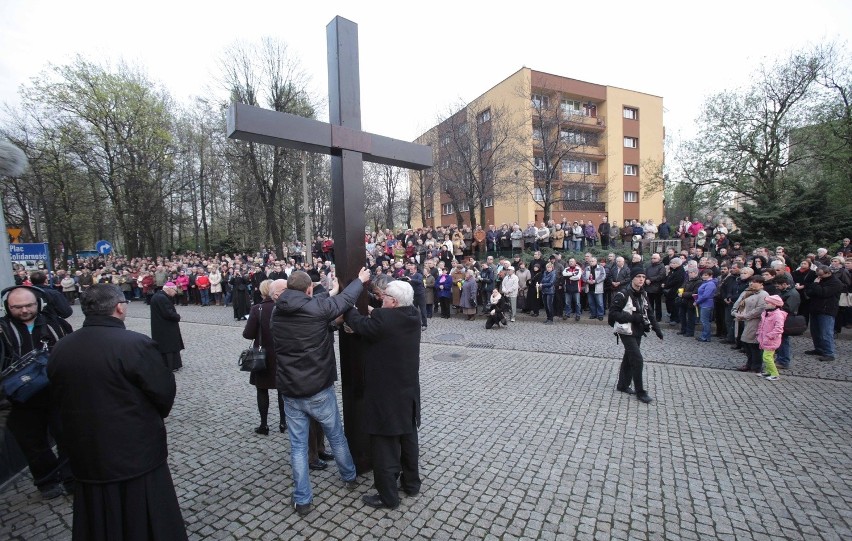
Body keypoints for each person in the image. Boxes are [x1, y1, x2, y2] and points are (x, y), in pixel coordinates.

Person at [47, 285, 186, 539]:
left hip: (85, 447)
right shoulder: (136, 344)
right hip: (133, 447)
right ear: (119, 307)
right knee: (144, 506)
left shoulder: (62, 347)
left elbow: (56, 394)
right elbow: (163, 391)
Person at [271, 268, 371, 517]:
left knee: (297, 446)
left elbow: (321, 302)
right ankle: (349, 476)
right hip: (318, 388)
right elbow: (345, 302)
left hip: (291, 391)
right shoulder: (316, 309)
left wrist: (332, 289)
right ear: (308, 289)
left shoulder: (277, 310)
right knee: (336, 436)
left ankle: (302, 499)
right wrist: (359, 280)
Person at [343, 280, 422, 509]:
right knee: (408, 441)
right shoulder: (412, 315)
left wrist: (348, 305)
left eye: (385, 296)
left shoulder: (383, 320)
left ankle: (388, 496)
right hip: (408, 393)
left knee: (384, 447)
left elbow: (358, 323)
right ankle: (411, 484)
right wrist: (375, 310)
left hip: (386, 396)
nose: (381, 298)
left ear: (394, 302)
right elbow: (383, 318)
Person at [0, 286, 73, 500]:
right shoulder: (3, 329)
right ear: (7, 307)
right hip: (20, 399)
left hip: (57, 392)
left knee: (68, 436)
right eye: (17, 307)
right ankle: (47, 480)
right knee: (33, 444)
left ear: (38, 303)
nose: (24, 310)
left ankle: (71, 478)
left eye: (29, 305)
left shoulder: (54, 324)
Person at [609, 268, 664, 404]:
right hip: (625, 331)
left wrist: (657, 330)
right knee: (637, 359)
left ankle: (622, 385)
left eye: (643, 277)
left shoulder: (643, 293)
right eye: (638, 276)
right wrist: (633, 317)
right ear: (632, 278)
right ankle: (640, 391)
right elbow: (613, 314)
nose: (641, 279)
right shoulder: (623, 294)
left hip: (638, 330)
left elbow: (649, 313)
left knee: (629, 358)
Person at [243, 279, 285, 435]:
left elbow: (248, 334)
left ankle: (264, 425)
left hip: (263, 356)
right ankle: (283, 422)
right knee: (282, 390)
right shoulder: (283, 306)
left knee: (262, 390)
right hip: (281, 354)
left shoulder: (257, 309)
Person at [804, 264, 843, 362]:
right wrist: (815, 286)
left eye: (821, 275)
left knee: (826, 333)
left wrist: (816, 285)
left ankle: (829, 353)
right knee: (815, 332)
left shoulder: (836, 283)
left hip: (827, 310)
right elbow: (809, 291)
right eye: (818, 275)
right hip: (815, 309)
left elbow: (823, 293)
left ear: (828, 273)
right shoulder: (818, 280)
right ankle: (819, 349)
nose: (819, 277)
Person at [756, 295, 787, 381]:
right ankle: (768, 371)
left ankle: (774, 374)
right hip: (765, 338)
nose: (765, 304)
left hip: (771, 340)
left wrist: (769, 336)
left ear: (774, 305)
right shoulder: (766, 313)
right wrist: (759, 333)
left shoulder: (778, 315)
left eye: (767, 303)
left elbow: (779, 329)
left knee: (767, 357)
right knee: (767, 356)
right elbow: (761, 324)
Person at [694, 269, 718, 342]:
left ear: (710, 275)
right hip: (704, 303)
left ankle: (705, 337)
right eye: (703, 275)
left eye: (706, 275)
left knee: (705, 321)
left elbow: (706, 295)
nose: (703, 276)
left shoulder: (710, 284)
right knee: (705, 321)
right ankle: (705, 336)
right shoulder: (706, 283)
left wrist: (697, 301)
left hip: (706, 304)